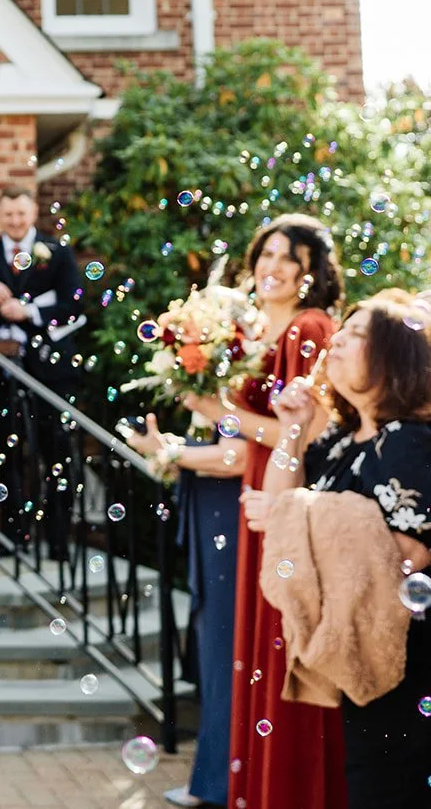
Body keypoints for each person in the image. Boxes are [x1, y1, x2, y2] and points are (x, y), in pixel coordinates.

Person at [132, 214, 346, 807]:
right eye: (265, 255)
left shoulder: (307, 330)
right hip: (244, 497)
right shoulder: (255, 337)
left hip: (266, 499)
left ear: (312, 273)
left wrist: (205, 412)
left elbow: (284, 435)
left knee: (258, 643)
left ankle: (253, 780)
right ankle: (237, 776)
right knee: (237, 645)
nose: (271, 268)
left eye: (288, 259)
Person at [242, 289, 431, 809]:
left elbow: (406, 555)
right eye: (340, 331)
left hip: (415, 665)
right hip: (366, 656)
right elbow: (279, 519)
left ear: (395, 355)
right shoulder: (345, 442)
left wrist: (295, 515)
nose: (338, 338)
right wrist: (294, 430)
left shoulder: (414, 442)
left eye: (357, 333)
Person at [0, 186, 83, 559]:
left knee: (55, 451)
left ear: (32, 212)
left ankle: (58, 541)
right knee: (6, 454)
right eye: (8, 214)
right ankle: (12, 537)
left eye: (21, 214)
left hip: (50, 372)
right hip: (2, 373)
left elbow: (74, 303)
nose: (15, 220)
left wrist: (30, 313)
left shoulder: (56, 252)